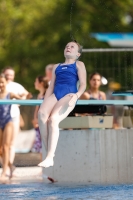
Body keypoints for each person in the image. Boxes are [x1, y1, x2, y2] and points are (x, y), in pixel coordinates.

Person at [38, 41, 86, 168]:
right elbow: (51, 86)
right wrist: (45, 102)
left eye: (72, 47)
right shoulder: (56, 66)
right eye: (67, 46)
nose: (68, 48)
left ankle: (50, 156)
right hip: (56, 94)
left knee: (53, 120)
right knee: (42, 114)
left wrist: (76, 96)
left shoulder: (79, 64)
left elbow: (83, 84)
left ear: (78, 54)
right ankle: (49, 152)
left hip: (69, 94)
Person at [2, 67, 31, 175]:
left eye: (11, 75)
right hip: (1, 117)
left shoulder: (16, 86)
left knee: (10, 144)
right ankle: (8, 165)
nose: (9, 77)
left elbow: (27, 95)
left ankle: (7, 168)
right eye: (7, 74)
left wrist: (22, 100)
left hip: (12, 117)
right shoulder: (2, 85)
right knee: (2, 146)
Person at [0, 74, 23, 180]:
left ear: (6, 83)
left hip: (8, 122)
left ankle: (4, 172)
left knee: (6, 146)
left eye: (2, 82)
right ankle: (10, 166)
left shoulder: (10, 94)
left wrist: (25, 96)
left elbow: (22, 99)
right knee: (0, 150)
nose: (0, 84)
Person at [32, 76, 49, 156]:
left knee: (45, 143)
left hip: (45, 120)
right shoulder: (40, 95)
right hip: (40, 121)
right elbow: (37, 108)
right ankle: (42, 166)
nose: (34, 83)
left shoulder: (48, 94)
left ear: (41, 83)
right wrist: (35, 118)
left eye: (36, 81)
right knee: (40, 144)